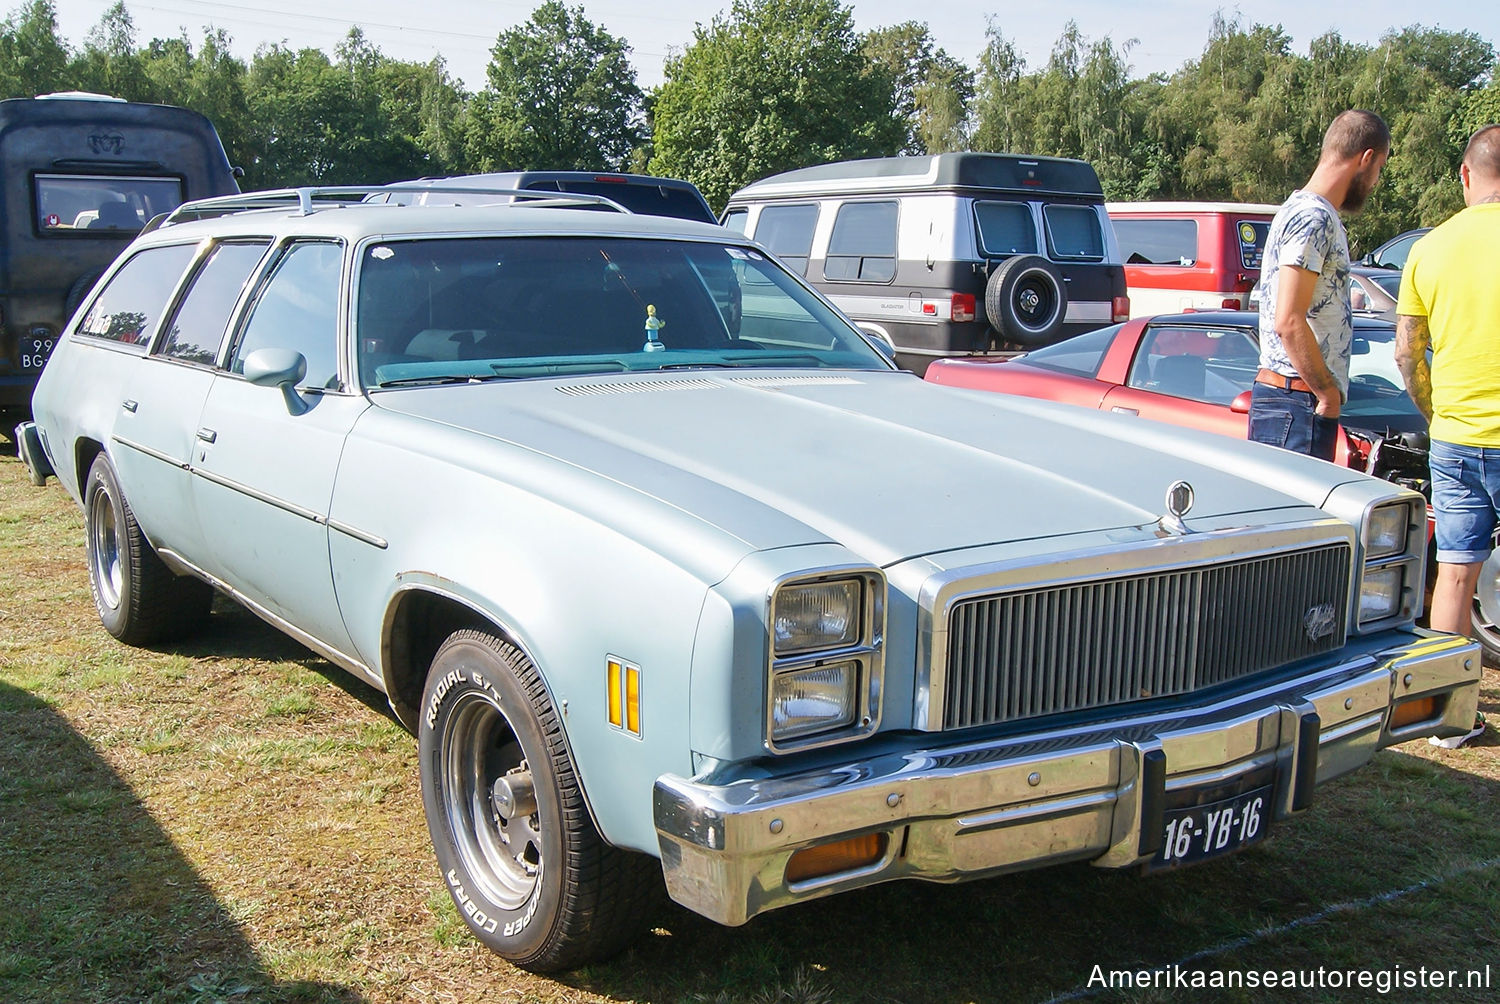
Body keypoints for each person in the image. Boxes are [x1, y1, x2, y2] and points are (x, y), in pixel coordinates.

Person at [1394, 123, 1500, 748]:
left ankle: (1449, 716)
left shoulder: (1428, 249)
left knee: (1455, 572)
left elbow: (1409, 355)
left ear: (1466, 174)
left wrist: (1436, 414)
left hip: (1457, 434)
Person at [1250, 110, 1391, 461]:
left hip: (1293, 401)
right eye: (1380, 168)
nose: (1375, 181)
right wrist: (1327, 394)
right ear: (1366, 158)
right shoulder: (1313, 217)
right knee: (1295, 515)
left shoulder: (1302, 210)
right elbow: (1289, 320)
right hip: (1297, 401)